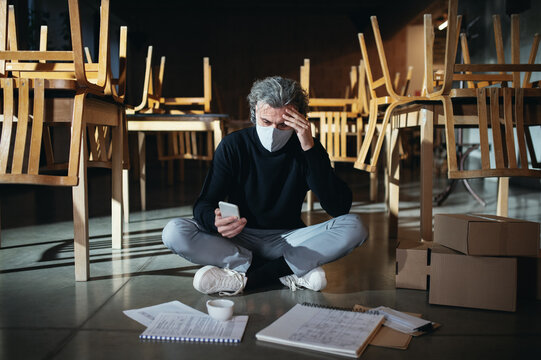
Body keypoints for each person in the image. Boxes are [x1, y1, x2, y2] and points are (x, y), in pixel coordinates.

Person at [162, 76, 367, 295]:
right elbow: (204, 202)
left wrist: (309, 147)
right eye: (266, 122)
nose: (273, 131)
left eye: (283, 124)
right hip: (239, 237)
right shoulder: (234, 145)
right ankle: (292, 270)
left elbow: (339, 208)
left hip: (288, 238)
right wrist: (215, 222)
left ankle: (247, 278)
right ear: (254, 115)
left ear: (300, 120)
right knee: (174, 232)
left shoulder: (307, 149)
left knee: (355, 226)